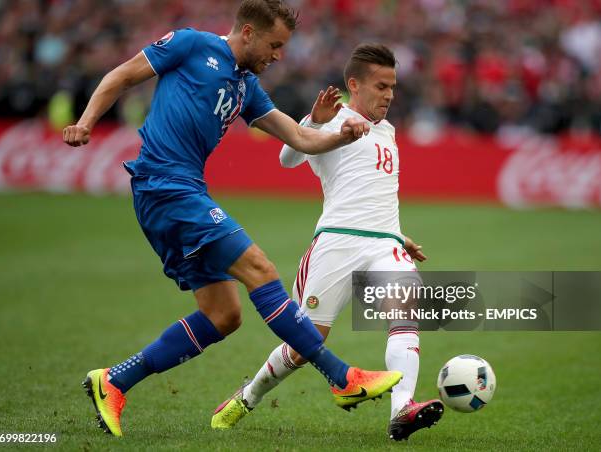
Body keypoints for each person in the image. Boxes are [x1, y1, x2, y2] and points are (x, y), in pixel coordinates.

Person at [63, 0, 401, 437]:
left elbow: (298, 137)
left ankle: (114, 381)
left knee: (224, 315)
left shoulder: (247, 87)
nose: (278, 56)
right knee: (259, 268)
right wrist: (86, 122)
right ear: (247, 33)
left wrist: (337, 134)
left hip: (182, 192)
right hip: (165, 184)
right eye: (274, 45)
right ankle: (342, 378)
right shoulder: (189, 45)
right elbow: (122, 75)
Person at [211, 44, 444, 441]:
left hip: (383, 244)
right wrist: (315, 122)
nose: (389, 94)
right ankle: (248, 396)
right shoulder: (332, 120)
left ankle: (402, 408)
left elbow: (375, 192)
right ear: (354, 84)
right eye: (381, 86)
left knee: (406, 310)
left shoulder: (388, 131)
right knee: (306, 343)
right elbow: (287, 159)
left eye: (393, 86)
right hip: (335, 244)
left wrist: (397, 234)